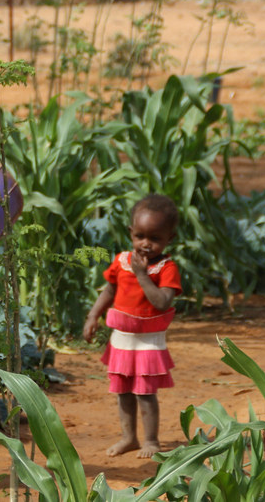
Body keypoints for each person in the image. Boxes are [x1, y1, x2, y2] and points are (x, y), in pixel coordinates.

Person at [82, 194, 181, 458]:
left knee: (145, 393)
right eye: (140, 236)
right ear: (131, 233)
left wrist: (142, 275)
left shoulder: (166, 268)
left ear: (169, 238)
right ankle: (129, 438)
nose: (146, 244)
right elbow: (109, 290)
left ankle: (151, 441)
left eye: (155, 238)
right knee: (123, 391)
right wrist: (93, 315)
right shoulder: (121, 260)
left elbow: (161, 301)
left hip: (148, 341)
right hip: (122, 339)